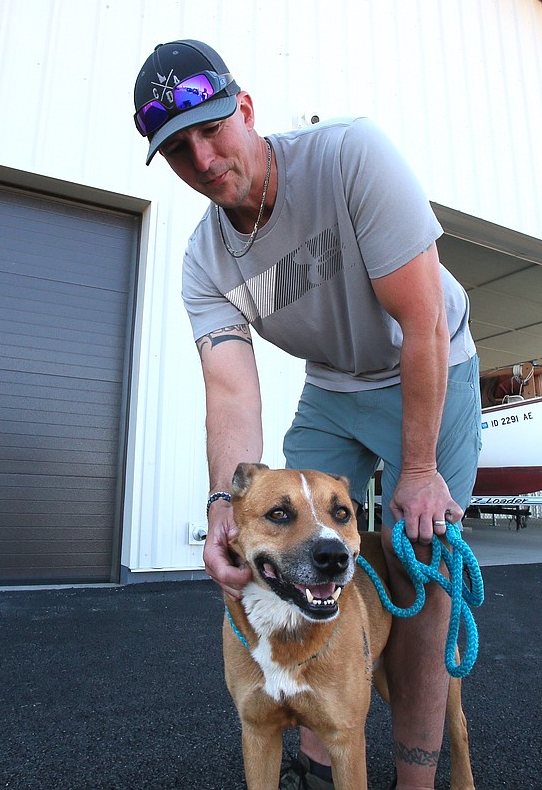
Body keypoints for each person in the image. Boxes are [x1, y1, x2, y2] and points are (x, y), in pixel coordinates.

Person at [133, 39, 481, 790]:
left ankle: (417, 776)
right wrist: (227, 505)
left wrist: (418, 472)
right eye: (178, 149)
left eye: (211, 129)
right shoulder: (205, 264)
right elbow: (230, 393)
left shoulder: (350, 158)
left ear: (246, 109)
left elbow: (419, 322)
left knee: (422, 566)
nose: (203, 157)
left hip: (431, 358)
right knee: (286, 525)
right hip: (335, 383)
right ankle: (327, 735)